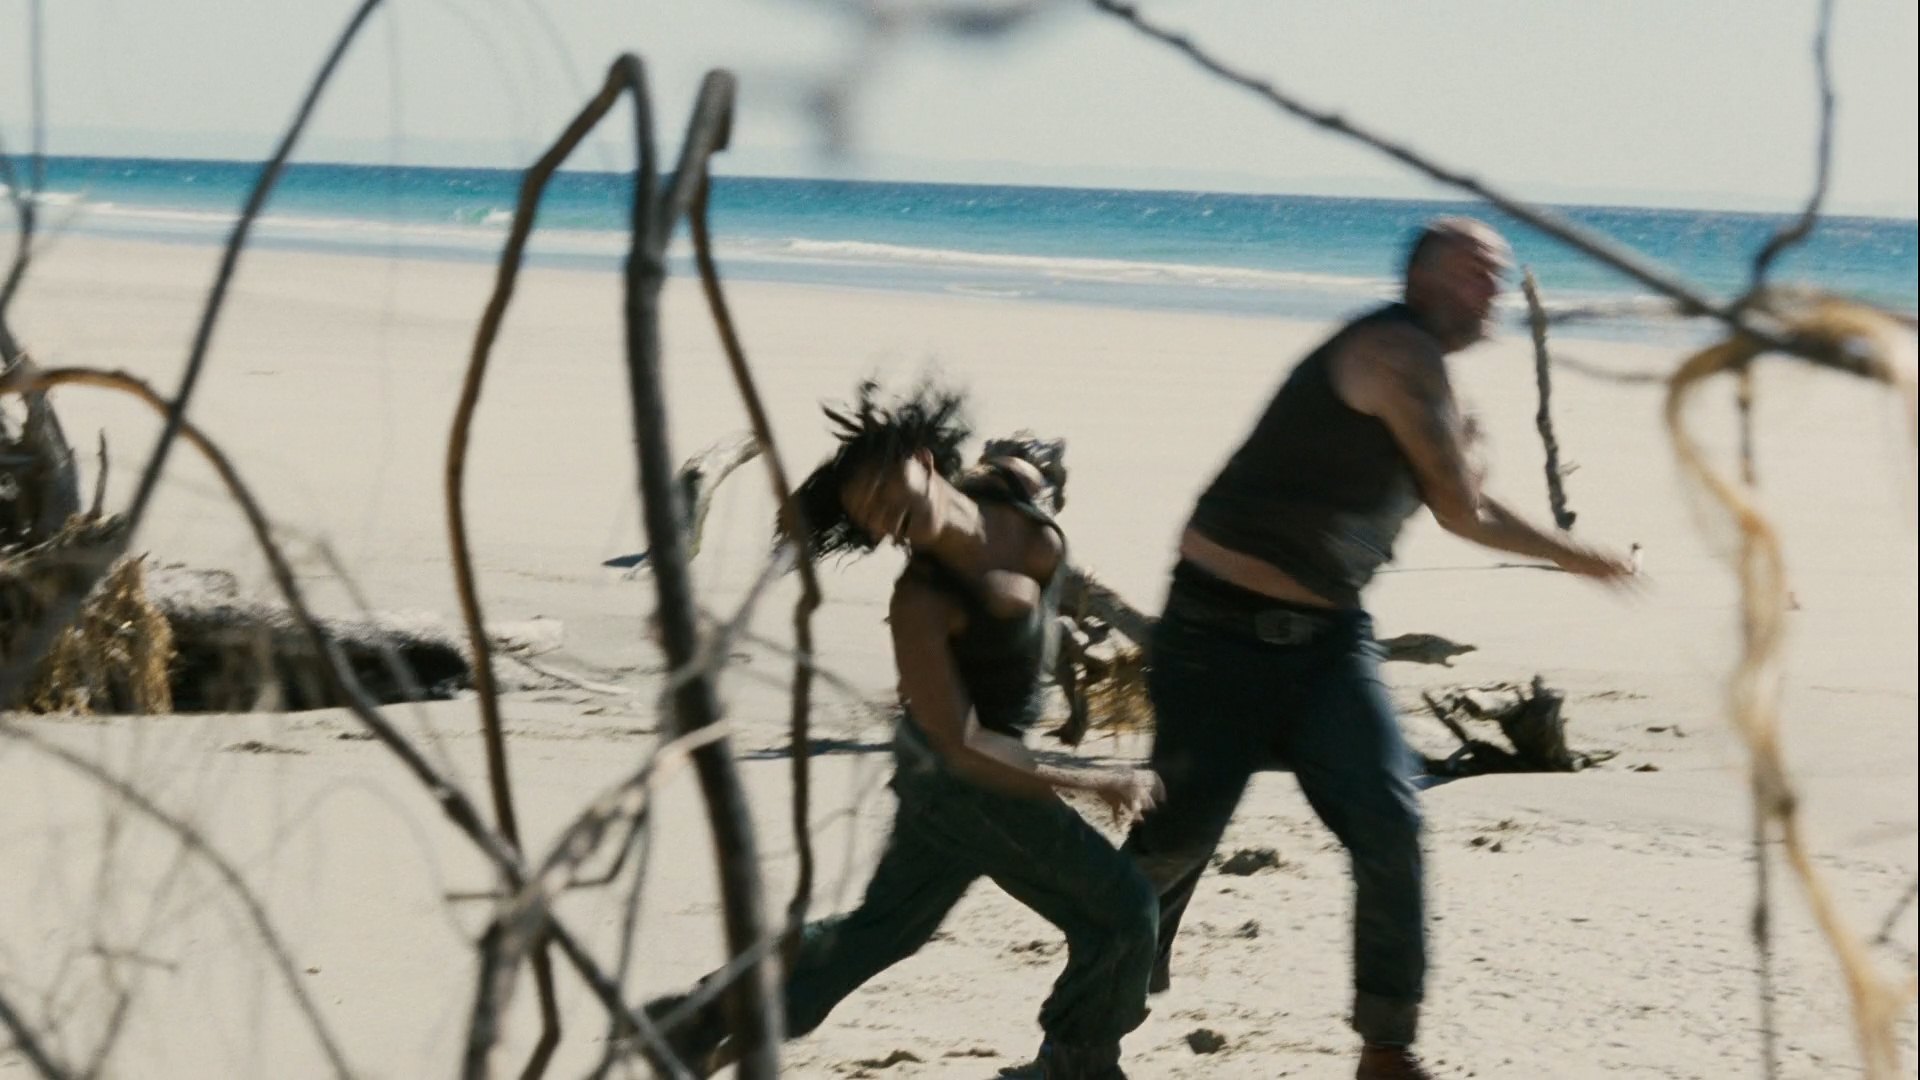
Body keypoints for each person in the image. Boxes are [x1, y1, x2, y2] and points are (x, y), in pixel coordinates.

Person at [1123, 217, 1638, 1080]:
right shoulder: (1394, 351)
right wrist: (1576, 554)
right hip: (1219, 632)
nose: (1494, 291)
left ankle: (1387, 1052)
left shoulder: (1428, 373)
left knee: (1390, 820)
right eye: (1476, 273)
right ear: (1425, 279)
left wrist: (1541, 527)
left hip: (1327, 640)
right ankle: (1085, 1031)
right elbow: (1462, 509)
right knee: (1177, 837)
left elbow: (1458, 493)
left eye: (1499, 274)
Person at [645, 380, 1162, 1080]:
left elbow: (1029, 471)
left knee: (881, 931)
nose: (890, 519)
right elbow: (963, 745)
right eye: (873, 519)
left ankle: (705, 1019)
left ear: (922, 460)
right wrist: (1093, 780)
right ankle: (1078, 1066)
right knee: (1124, 911)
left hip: (943, 778)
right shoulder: (922, 598)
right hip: (970, 777)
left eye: (887, 493)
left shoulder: (1006, 490)